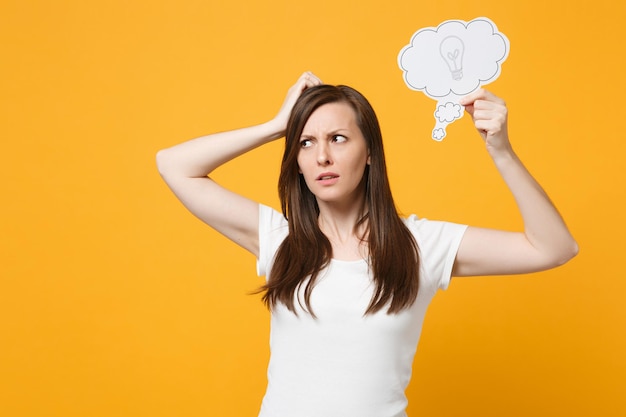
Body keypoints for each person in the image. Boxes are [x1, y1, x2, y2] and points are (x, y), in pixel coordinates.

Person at [156, 71, 578, 417]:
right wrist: (275, 127)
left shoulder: (419, 245)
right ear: (297, 163)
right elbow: (173, 165)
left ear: (370, 152)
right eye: (306, 143)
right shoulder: (279, 239)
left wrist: (500, 150)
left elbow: (554, 248)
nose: (322, 156)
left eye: (338, 138)